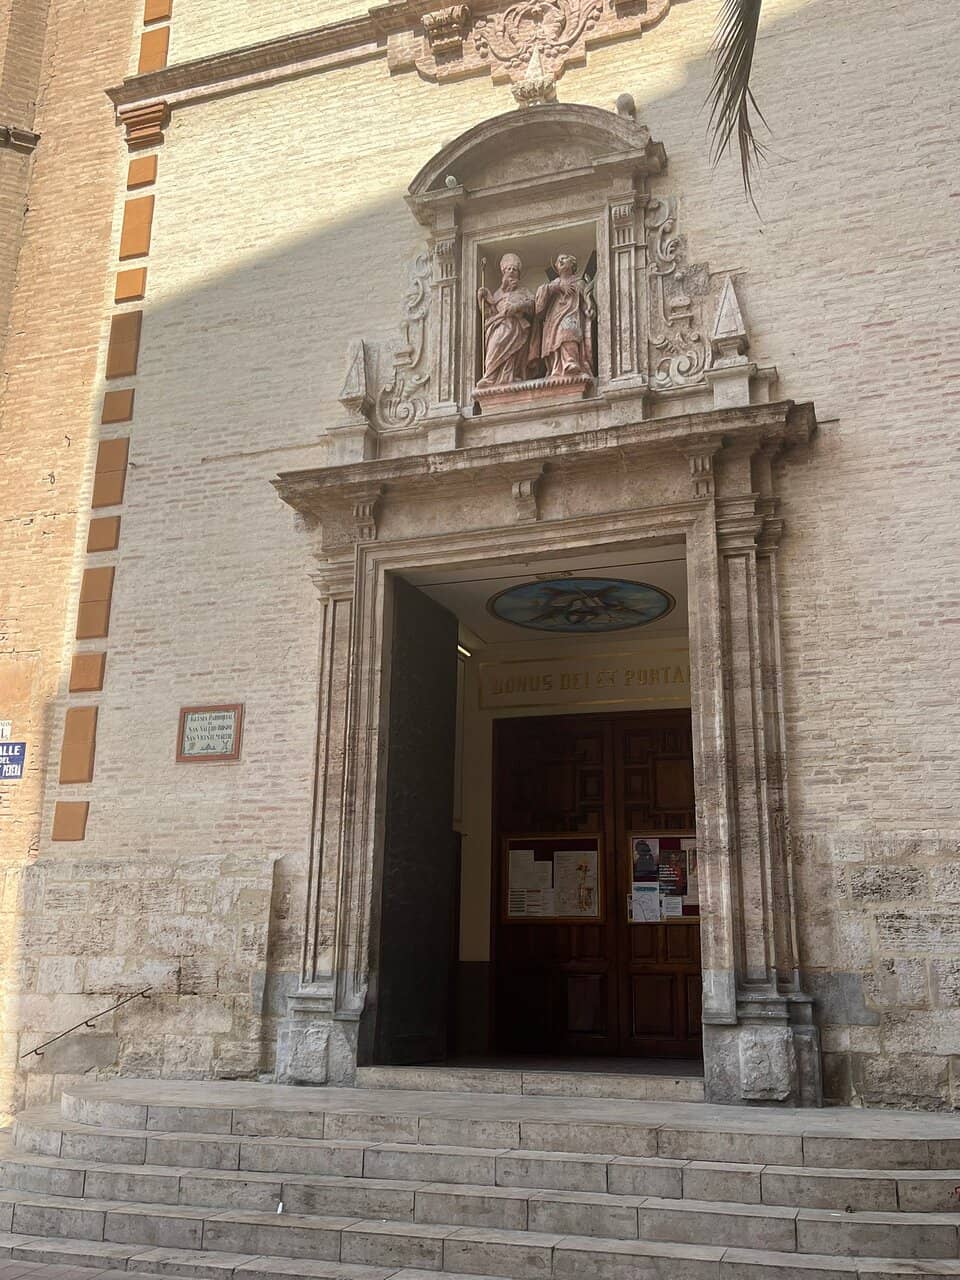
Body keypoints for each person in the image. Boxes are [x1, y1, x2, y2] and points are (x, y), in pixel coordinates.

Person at [476, 253, 537, 388]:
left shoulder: (524, 291)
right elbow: (489, 315)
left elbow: (534, 305)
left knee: (512, 354)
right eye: (508, 269)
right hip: (499, 325)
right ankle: (491, 376)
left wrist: (517, 307)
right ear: (503, 272)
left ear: (518, 274)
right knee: (495, 345)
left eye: (514, 269)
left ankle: (509, 377)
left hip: (517, 327)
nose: (511, 272)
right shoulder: (497, 294)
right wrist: (483, 300)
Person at [535, 252, 595, 379]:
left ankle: (570, 362)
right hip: (555, 316)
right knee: (556, 338)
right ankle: (557, 367)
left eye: (564, 259)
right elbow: (540, 304)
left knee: (568, 331)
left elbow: (585, 299)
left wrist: (588, 308)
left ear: (572, 264)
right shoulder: (553, 284)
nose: (561, 261)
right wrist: (557, 287)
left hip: (572, 314)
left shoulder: (579, 282)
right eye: (558, 260)